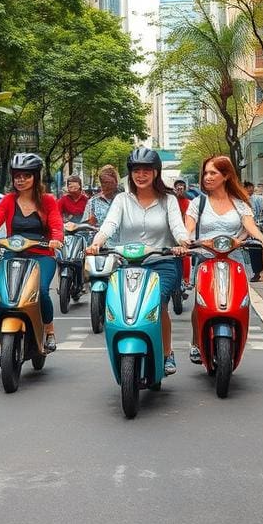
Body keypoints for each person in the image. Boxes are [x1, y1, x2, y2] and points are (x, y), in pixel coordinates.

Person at [86, 148, 187, 375]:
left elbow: (178, 228)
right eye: (136, 171)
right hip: (126, 263)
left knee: (157, 304)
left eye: (146, 171)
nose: (141, 175)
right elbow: (109, 225)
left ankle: (167, 352)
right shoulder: (122, 199)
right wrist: (96, 243)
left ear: (156, 172)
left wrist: (183, 243)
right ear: (130, 174)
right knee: (121, 306)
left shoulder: (168, 200)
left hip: (162, 261)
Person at [0, 153, 63, 360]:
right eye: (17, 176)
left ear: (36, 177)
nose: (21, 180)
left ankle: (49, 331)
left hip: (42, 255)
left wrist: (57, 239)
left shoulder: (48, 200)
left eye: (26, 175)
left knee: (41, 291)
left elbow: (56, 225)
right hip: (13, 254)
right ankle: (0, 344)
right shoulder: (8, 200)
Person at [185, 156, 263, 363]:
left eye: (213, 173)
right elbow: (187, 229)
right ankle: (197, 342)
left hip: (234, 259)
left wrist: (261, 239)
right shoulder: (198, 203)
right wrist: (187, 241)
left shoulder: (240, 204)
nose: (208, 177)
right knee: (200, 303)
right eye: (205, 173)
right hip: (205, 260)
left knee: (238, 302)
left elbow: (250, 226)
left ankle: (237, 336)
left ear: (226, 176)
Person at [243, 181, 263, 282]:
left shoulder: (258, 199)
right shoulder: (241, 200)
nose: (250, 189)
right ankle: (254, 271)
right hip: (245, 229)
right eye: (248, 188)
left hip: (257, 227)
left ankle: (259, 272)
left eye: (251, 187)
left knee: (257, 249)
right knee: (251, 251)